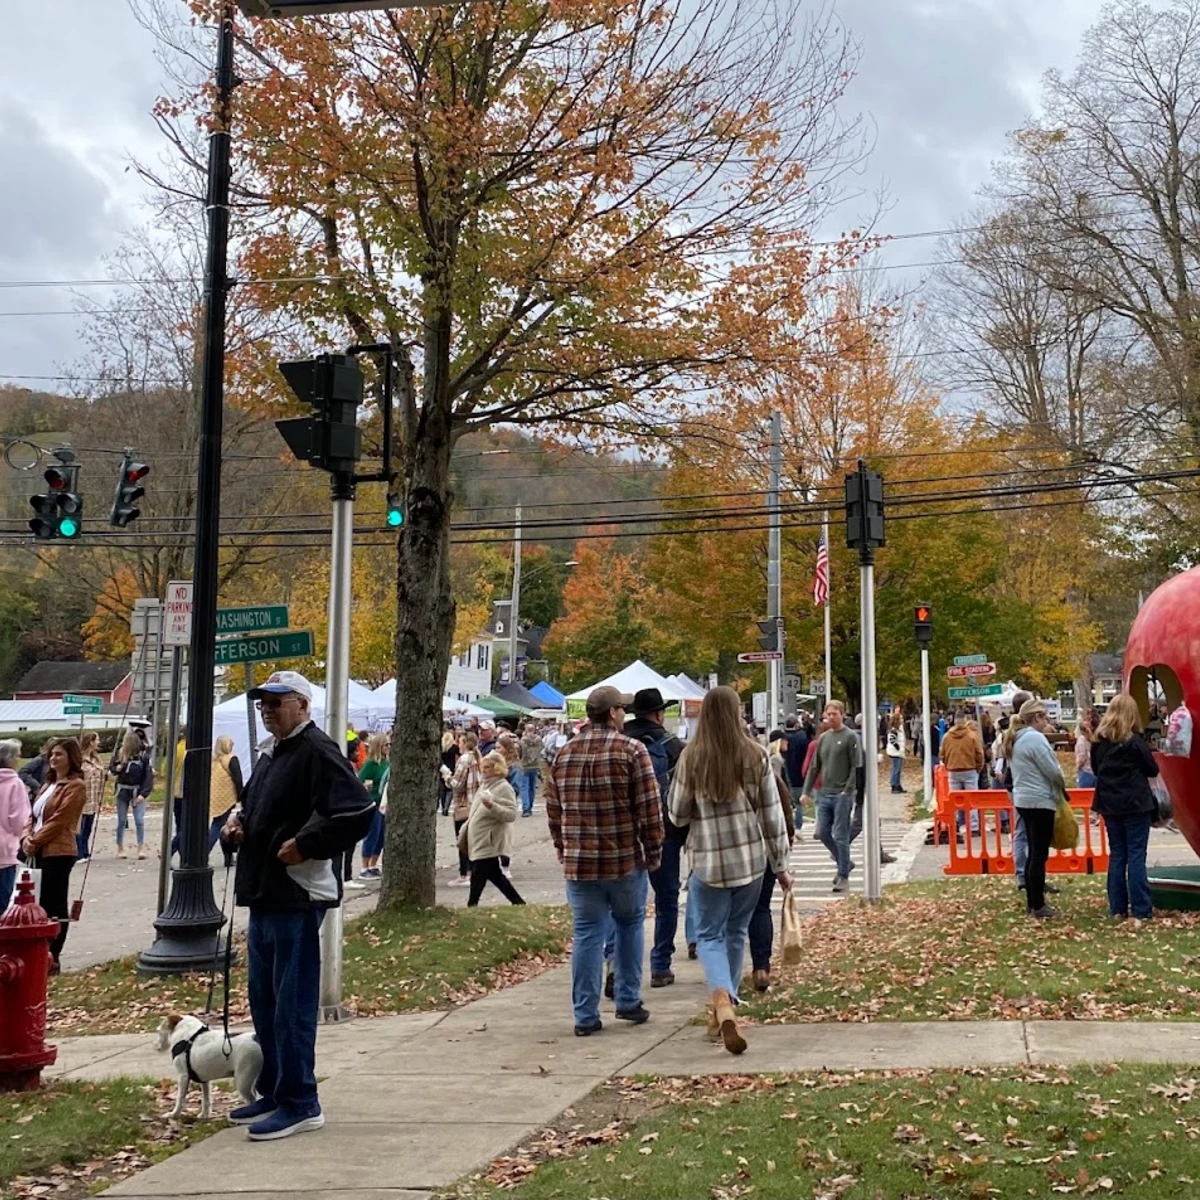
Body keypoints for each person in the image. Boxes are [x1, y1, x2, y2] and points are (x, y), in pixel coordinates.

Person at [219, 670, 374, 1141]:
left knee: (291, 1003)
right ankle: (275, 1089)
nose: (267, 710)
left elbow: (358, 812)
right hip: (265, 892)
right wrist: (237, 825)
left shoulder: (317, 750)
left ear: (303, 706)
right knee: (264, 1001)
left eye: (277, 702)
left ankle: (302, 1101)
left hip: (296, 895)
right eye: (263, 703)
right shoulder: (274, 752)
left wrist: (306, 844)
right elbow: (252, 805)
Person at [669, 687, 791, 1054]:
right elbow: (771, 815)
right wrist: (780, 864)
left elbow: (677, 813)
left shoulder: (692, 757)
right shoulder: (755, 755)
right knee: (736, 932)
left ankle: (721, 1000)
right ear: (737, 713)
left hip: (708, 861)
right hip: (750, 862)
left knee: (709, 936)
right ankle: (726, 1004)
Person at [544, 685, 662, 1037]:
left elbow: (554, 809)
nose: (625, 714)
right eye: (622, 709)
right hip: (623, 858)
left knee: (587, 933)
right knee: (630, 924)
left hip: (580, 863)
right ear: (612, 713)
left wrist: (563, 846)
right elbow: (649, 808)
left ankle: (585, 1014)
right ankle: (627, 998)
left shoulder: (564, 754)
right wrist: (653, 851)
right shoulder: (632, 750)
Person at [621, 688, 684, 987]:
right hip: (665, 831)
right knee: (666, 898)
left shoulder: (621, 741)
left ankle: (617, 962)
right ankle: (660, 964)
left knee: (622, 904)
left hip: (625, 832)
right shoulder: (674, 747)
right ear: (659, 714)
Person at [1091, 693, 1159, 921]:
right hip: (1136, 802)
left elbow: (1096, 769)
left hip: (1109, 802)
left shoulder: (1099, 743)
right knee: (1136, 855)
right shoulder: (1135, 742)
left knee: (1118, 854)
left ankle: (1117, 908)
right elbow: (1152, 769)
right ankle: (1141, 909)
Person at [21, 738, 87, 971]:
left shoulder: (75, 786)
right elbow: (32, 814)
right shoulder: (48, 784)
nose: (53, 758)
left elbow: (60, 820)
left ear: (70, 758)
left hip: (58, 851)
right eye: (51, 754)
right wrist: (26, 837)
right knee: (37, 901)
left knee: (54, 903)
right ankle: (38, 952)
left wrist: (36, 840)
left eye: (59, 754)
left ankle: (53, 955)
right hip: (37, 849)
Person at [1006, 698, 1065, 919]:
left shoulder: (1016, 738)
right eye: (1045, 717)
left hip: (1023, 799)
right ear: (1036, 717)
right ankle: (1038, 904)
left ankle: (1033, 902)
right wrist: (1061, 784)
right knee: (1039, 855)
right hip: (1040, 800)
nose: (1047, 722)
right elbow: (1052, 770)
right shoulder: (1034, 738)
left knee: (1033, 852)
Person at [749, 732, 796, 991]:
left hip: (732, 853)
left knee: (730, 915)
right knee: (760, 908)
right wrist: (782, 860)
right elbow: (781, 814)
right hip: (765, 851)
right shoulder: (766, 772)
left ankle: (726, 977)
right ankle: (761, 966)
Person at [801, 701, 862, 893]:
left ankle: (843, 875)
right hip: (824, 792)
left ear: (842, 714)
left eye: (835, 714)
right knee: (822, 831)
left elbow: (856, 766)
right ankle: (845, 862)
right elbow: (814, 766)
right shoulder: (824, 738)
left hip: (842, 793)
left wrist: (848, 789)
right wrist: (806, 791)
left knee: (841, 834)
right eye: (828, 714)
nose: (831, 717)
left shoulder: (850, 737)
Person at [465, 752, 524, 906]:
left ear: (497, 768)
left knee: (480, 871)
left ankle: (472, 904)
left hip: (489, 839)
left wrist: (492, 805)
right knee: (491, 873)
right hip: (480, 837)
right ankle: (517, 902)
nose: (483, 770)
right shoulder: (485, 785)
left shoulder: (504, 787)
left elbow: (510, 814)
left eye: (488, 767)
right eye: (483, 767)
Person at [941, 708, 986, 833]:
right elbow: (979, 754)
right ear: (965, 721)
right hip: (970, 769)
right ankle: (974, 827)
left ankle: (955, 823)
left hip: (953, 770)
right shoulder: (972, 736)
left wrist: (948, 764)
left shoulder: (947, 737)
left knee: (955, 799)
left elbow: (942, 754)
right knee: (972, 800)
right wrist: (978, 767)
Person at [449, 731, 482, 887]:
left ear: (466, 743)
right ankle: (473, 871)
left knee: (462, 840)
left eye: (460, 742)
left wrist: (447, 777)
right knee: (472, 840)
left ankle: (464, 874)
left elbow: (457, 784)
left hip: (464, 804)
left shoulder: (464, 759)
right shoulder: (477, 758)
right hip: (476, 803)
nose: (458, 745)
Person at [111, 730, 151, 860]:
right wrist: (117, 768)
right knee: (122, 820)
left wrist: (143, 794)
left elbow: (148, 777)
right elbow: (112, 767)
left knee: (139, 820)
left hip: (137, 791)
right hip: (123, 790)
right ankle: (120, 847)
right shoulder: (120, 754)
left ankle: (141, 847)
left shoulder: (143, 757)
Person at [0, 739, 30, 909]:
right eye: (18, 756)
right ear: (9, 758)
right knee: (3, 900)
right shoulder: (14, 783)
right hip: (4, 850)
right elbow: (19, 819)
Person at [209, 735, 244, 869]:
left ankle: (228, 858)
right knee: (218, 826)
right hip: (228, 797)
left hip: (216, 797)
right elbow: (238, 779)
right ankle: (203, 853)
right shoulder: (231, 759)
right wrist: (242, 796)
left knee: (220, 825)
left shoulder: (214, 760)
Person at [357, 733, 389, 879]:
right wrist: (367, 786)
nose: (388, 747)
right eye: (386, 745)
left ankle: (373, 864)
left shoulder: (386, 762)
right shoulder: (371, 764)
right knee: (372, 834)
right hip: (373, 802)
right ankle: (364, 866)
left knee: (381, 835)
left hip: (384, 803)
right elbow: (360, 780)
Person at [78, 732, 105, 862]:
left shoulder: (96, 759)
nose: (98, 742)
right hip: (83, 799)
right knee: (80, 827)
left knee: (88, 827)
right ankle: (79, 853)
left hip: (93, 798)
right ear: (91, 742)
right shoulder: (79, 759)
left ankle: (85, 851)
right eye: (97, 740)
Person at [517, 724, 544, 817]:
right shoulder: (539, 740)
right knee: (532, 787)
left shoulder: (522, 741)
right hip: (535, 765)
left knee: (524, 787)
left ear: (525, 729)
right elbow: (542, 749)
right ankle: (530, 807)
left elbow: (519, 753)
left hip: (525, 765)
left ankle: (526, 808)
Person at [1075, 710, 1097, 788]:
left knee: (1083, 794)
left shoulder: (1081, 740)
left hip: (1085, 772)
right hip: (1095, 772)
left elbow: (1082, 757)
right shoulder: (1095, 739)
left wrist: (1078, 766)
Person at [885, 709, 906, 794]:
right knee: (896, 769)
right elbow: (892, 739)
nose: (902, 720)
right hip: (895, 752)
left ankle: (897, 784)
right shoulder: (895, 729)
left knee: (897, 769)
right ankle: (894, 785)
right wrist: (898, 747)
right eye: (901, 718)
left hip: (897, 751)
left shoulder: (898, 728)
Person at [439, 726, 459, 816]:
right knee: (449, 789)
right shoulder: (454, 747)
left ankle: (443, 806)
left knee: (442, 789)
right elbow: (460, 754)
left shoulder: (441, 747)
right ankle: (446, 807)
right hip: (451, 768)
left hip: (442, 768)